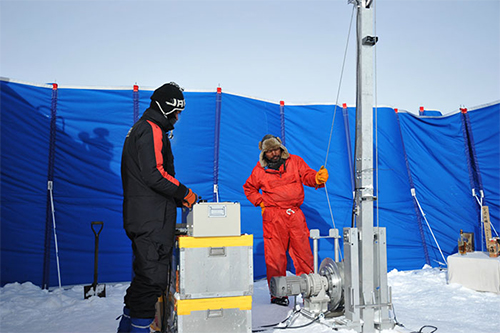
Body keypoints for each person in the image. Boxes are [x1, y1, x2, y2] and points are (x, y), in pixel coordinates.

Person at [117, 82, 198, 333]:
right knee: (151, 280)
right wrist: (185, 193)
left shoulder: (139, 129)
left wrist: (175, 198)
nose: (178, 117)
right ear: (166, 107)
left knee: (143, 276)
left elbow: (145, 177)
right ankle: (139, 328)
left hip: (143, 214)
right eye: (177, 112)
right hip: (151, 219)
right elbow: (155, 174)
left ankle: (127, 327)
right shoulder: (151, 129)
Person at [243, 134, 329, 306]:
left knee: (303, 251)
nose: (274, 153)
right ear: (264, 153)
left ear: (281, 149)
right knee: (275, 256)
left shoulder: (295, 161)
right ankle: (278, 293)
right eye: (269, 151)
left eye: (276, 149)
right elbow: (249, 188)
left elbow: (307, 175)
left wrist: (317, 178)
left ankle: (309, 288)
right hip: (273, 216)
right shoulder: (259, 170)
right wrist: (260, 203)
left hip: (295, 213)